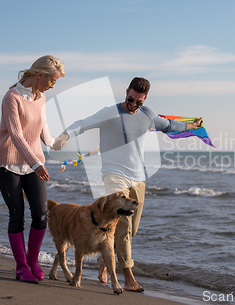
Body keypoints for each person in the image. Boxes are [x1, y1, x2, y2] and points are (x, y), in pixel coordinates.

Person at [54, 77, 202, 292]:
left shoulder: (147, 115)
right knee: (122, 228)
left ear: (145, 100)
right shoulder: (110, 113)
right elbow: (83, 123)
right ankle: (128, 278)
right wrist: (64, 135)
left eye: (138, 102)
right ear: (126, 92)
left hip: (137, 178)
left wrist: (193, 125)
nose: (133, 105)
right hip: (114, 176)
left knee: (132, 229)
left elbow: (170, 126)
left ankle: (105, 261)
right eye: (130, 100)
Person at [0, 55, 65, 283]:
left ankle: (33, 261)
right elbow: (16, 135)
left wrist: (54, 142)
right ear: (39, 75)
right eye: (51, 81)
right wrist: (36, 164)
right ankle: (21, 266)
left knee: (41, 215)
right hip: (9, 164)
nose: (52, 86)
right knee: (17, 215)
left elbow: (43, 130)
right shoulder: (11, 97)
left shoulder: (41, 97)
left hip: (33, 164)